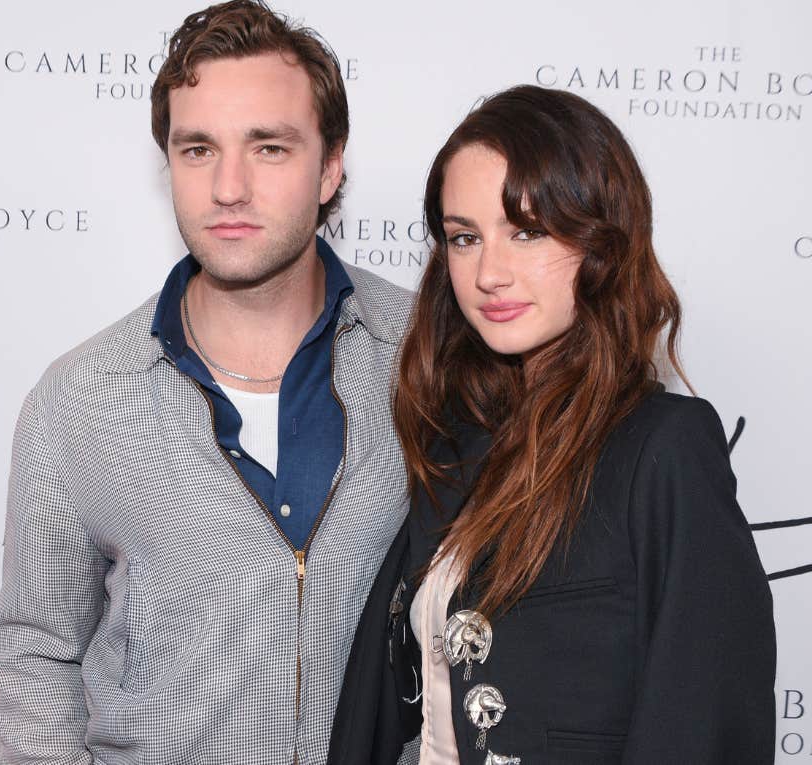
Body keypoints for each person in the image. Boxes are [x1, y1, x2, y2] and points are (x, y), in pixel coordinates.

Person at [0, 2, 412, 762]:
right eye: (198, 149)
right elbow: (33, 652)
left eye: (269, 148)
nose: (228, 187)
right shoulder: (80, 397)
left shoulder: (428, 357)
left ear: (330, 168)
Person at [329, 85, 776, 764]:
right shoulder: (456, 444)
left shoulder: (663, 449)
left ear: (601, 238)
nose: (489, 272)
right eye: (464, 238)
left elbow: (706, 723)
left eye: (528, 231)